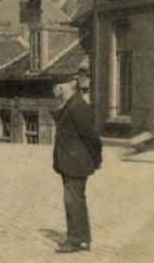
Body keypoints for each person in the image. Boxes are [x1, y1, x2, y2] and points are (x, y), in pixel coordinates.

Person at [51, 79, 102, 254]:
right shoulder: (70, 104)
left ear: (63, 87)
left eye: (56, 88)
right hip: (70, 162)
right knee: (75, 200)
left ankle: (76, 241)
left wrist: (96, 160)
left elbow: (91, 137)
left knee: (73, 200)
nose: (54, 92)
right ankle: (81, 238)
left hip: (76, 163)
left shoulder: (77, 106)